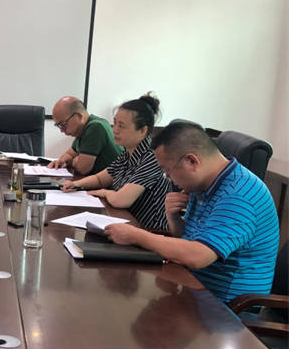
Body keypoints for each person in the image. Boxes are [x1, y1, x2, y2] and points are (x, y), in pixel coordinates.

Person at [104, 121, 279, 304]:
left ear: (191, 161)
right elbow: (189, 238)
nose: (168, 178)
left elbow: (197, 256)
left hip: (228, 307)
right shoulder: (204, 183)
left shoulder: (238, 195)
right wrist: (172, 217)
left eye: (167, 171)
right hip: (195, 287)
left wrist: (136, 236)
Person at [61, 93, 172, 229]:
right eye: (115, 123)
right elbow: (101, 179)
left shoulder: (152, 157)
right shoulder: (127, 152)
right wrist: (75, 184)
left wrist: (103, 192)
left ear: (143, 130)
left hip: (150, 231)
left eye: (122, 126)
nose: (115, 130)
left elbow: (121, 200)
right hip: (125, 222)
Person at [48, 96, 121, 175]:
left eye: (63, 124)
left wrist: (71, 161)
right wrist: (61, 161)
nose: (61, 130)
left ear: (79, 116)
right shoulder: (82, 130)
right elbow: (70, 154)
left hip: (115, 182)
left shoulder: (95, 127)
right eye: (58, 125)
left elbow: (82, 169)